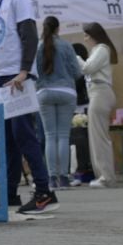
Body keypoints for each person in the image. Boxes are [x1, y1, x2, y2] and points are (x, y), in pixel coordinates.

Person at [0, 0, 57, 214]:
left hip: (18, 75)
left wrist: (25, 70)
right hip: (0, 77)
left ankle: (43, 191)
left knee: (25, 135)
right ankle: (9, 192)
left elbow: (28, 34)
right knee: (8, 139)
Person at [31, 16, 83, 196]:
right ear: (58, 29)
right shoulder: (67, 45)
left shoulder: (37, 47)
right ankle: (63, 177)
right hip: (66, 91)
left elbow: (33, 74)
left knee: (49, 135)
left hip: (44, 92)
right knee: (63, 136)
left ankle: (52, 178)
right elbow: (77, 72)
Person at [79, 22, 119, 187]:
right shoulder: (97, 50)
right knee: (96, 136)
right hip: (96, 92)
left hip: (100, 92)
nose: (85, 38)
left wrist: (76, 58)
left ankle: (106, 176)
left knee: (100, 137)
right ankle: (102, 175)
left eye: (87, 35)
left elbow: (87, 68)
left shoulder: (102, 49)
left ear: (94, 35)